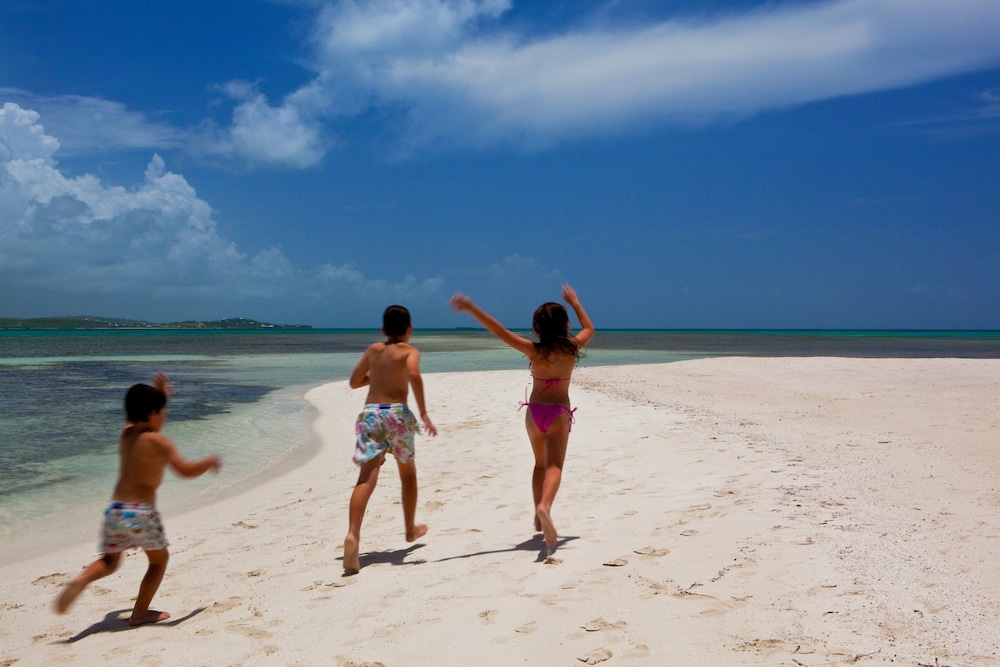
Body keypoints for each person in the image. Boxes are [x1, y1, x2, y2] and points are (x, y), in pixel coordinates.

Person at [55, 372, 222, 625]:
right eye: (163, 412)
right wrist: (209, 462)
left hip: (116, 510)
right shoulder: (160, 443)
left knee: (110, 562)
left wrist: (160, 393)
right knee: (158, 561)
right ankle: (140, 613)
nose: (165, 416)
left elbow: (140, 413)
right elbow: (186, 471)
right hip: (141, 513)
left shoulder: (127, 433)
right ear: (153, 414)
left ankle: (83, 579)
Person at [450, 285, 594, 551]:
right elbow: (589, 328)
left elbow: (499, 331)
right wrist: (575, 302)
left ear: (538, 327)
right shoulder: (571, 348)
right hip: (558, 413)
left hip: (535, 413)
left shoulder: (533, 351)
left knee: (539, 465)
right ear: (564, 325)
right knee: (555, 466)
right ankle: (544, 507)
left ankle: (538, 514)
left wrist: (471, 308)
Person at [343, 305, 437, 575]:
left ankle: (352, 534)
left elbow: (354, 382)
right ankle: (409, 529)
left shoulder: (374, 350)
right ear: (410, 329)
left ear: (383, 330)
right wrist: (424, 413)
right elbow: (413, 374)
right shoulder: (410, 351)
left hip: (371, 414)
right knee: (407, 474)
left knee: (365, 478)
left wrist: (377, 376)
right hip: (397, 414)